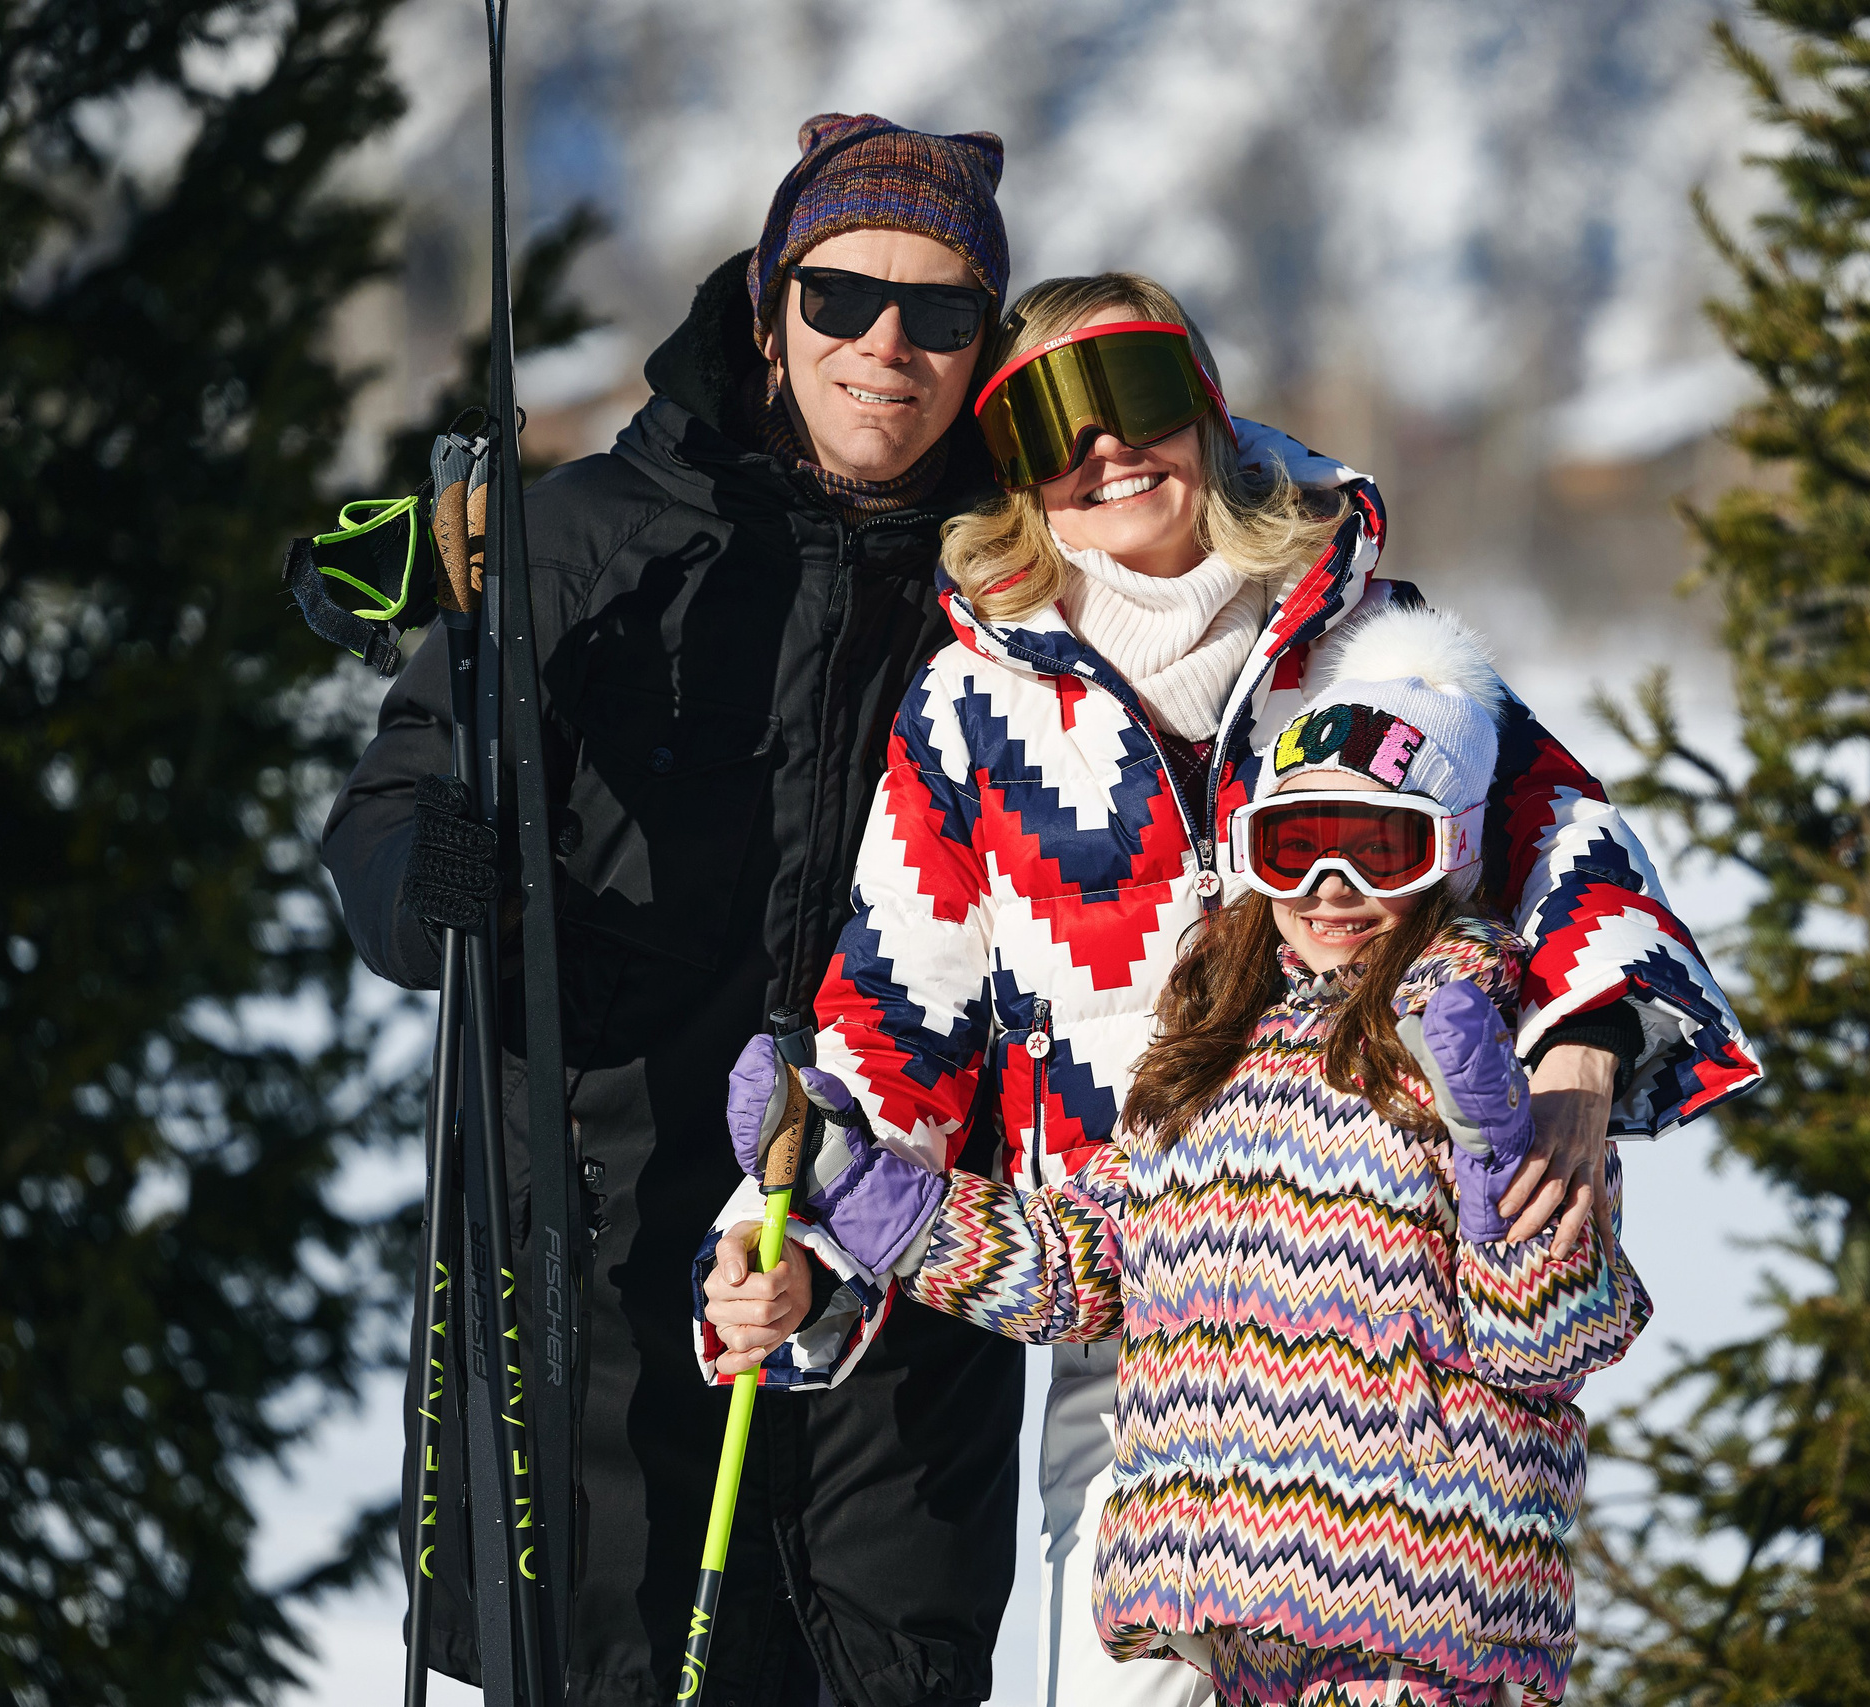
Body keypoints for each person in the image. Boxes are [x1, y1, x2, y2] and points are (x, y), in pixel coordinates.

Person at [702, 274, 1761, 1706]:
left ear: (1203, 407)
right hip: (1126, 1307)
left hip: (1403, 1318)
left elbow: (1574, 849)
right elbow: (899, 1008)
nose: (1107, 452)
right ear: (1011, 466)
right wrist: (796, 1228)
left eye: (1137, 398)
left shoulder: (1374, 654)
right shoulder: (974, 704)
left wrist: (1581, 1053)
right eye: (1049, 423)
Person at [323, 114, 1030, 1706]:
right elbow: (390, 808)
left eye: (940, 311)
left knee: (883, 1668)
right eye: (844, 297)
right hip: (595, 1243)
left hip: (901, 1254)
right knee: (607, 1659)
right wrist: (429, 883)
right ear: (771, 305)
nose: (887, 347)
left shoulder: (1025, 579)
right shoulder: (580, 544)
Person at [717, 608, 1647, 1706]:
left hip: (1412, 1627)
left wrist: (1502, 1183)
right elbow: (1080, 1264)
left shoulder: (1489, 1051)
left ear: (1449, 847)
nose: (1330, 888)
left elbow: (1557, 1344)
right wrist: (857, 1185)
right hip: (1221, 1617)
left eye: (1378, 844)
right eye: (1295, 847)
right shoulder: (1206, 1052)